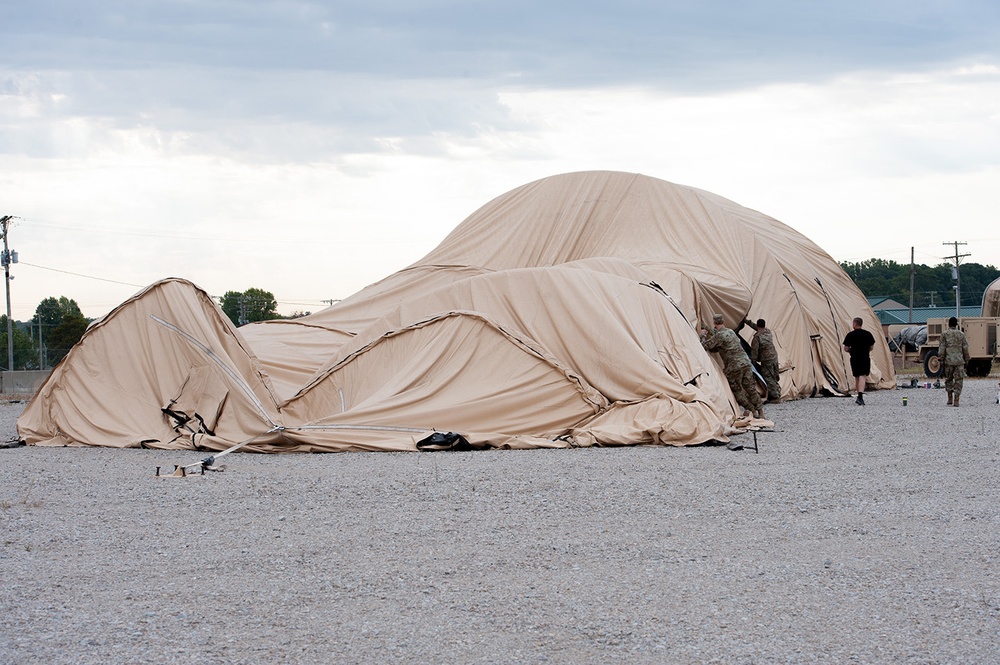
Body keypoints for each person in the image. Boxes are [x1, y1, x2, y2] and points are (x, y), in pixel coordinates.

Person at [701, 313, 765, 421]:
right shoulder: (730, 332)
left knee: (737, 390)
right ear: (723, 321)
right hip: (745, 363)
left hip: (734, 366)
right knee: (751, 388)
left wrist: (703, 334)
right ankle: (761, 412)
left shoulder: (719, 336)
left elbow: (705, 345)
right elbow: (722, 341)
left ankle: (751, 410)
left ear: (714, 323)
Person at [745, 317, 781, 402]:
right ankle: (777, 392)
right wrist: (747, 322)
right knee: (774, 375)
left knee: (768, 377)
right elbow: (756, 327)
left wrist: (753, 360)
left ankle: (775, 397)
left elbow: (755, 350)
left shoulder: (757, 337)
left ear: (758, 325)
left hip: (766, 360)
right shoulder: (768, 332)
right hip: (774, 357)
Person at [842, 316, 876, 406]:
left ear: (855, 324)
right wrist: (865, 350)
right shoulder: (868, 334)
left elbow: (845, 348)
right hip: (864, 357)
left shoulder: (850, 335)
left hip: (854, 358)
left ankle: (858, 395)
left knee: (857, 376)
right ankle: (860, 396)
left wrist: (851, 351)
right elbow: (872, 347)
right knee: (863, 376)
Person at [939, 316, 970, 407]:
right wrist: (967, 359)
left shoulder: (944, 334)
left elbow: (942, 348)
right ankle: (956, 399)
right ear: (956, 324)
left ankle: (949, 398)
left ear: (949, 324)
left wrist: (941, 358)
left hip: (949, 361)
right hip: (959, 361)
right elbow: (965, 348)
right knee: (959, 380)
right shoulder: (961, 334)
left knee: (949, 379)